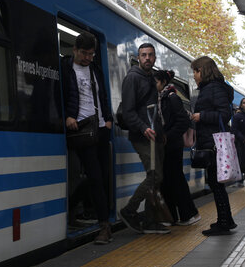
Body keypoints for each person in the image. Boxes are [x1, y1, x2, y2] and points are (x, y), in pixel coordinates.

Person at [61, 32, 113, 244]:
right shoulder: (65, 69)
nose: (88, 58)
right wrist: (67, 117)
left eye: (91, 54)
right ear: (74, 49)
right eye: (84, 53)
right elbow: (57, 95)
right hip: (81, 130)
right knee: (94, 177)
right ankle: (103, 226)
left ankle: (103, 225)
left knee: (100, 178)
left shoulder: (95, 70)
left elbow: (102, 96)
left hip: (100, 128)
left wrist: (108, 119)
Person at [118, 43, 170, 234]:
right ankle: (129, 210)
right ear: (138, 58)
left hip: (155, 135)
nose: (147, 58)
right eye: (143, 55)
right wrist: (143, 128)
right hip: (141, 136)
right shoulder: (132, 78)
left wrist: (161, 132)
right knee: (155, 175)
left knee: (155, 178)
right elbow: (128, 112)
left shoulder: (150, 78)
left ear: (155, 58)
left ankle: (150, 220)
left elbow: (153, 109)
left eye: (150, 55)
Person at [190, 56, 237, 236]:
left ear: (203, 71)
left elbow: (224, 114)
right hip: (210, 141)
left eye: (195, 71)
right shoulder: (211, 88)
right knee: (216, 183)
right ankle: (225, 220)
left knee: (216, 184)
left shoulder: (214, 88)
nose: (194, 75)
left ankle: (224, 222)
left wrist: (201, 116)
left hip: (214, 143)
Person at [155, 70, 201, 225]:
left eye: (155, 82)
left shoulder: (172, 98)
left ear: (162, 82)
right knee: (166, 180)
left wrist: (167, 136)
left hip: (173, 146)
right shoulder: (160, 98)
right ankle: (171, 216)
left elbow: (183, 121)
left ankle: (189, 214)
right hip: (165, 146)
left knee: (175, 180)